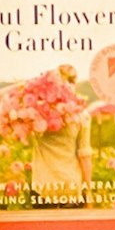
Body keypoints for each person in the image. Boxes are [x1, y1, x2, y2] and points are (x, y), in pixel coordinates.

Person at [30, 64, 93, 204]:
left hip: (42, 188)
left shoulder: (35, 114)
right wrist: (88, 191)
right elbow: (85, 156)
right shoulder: (81, 115)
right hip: (71, 187)